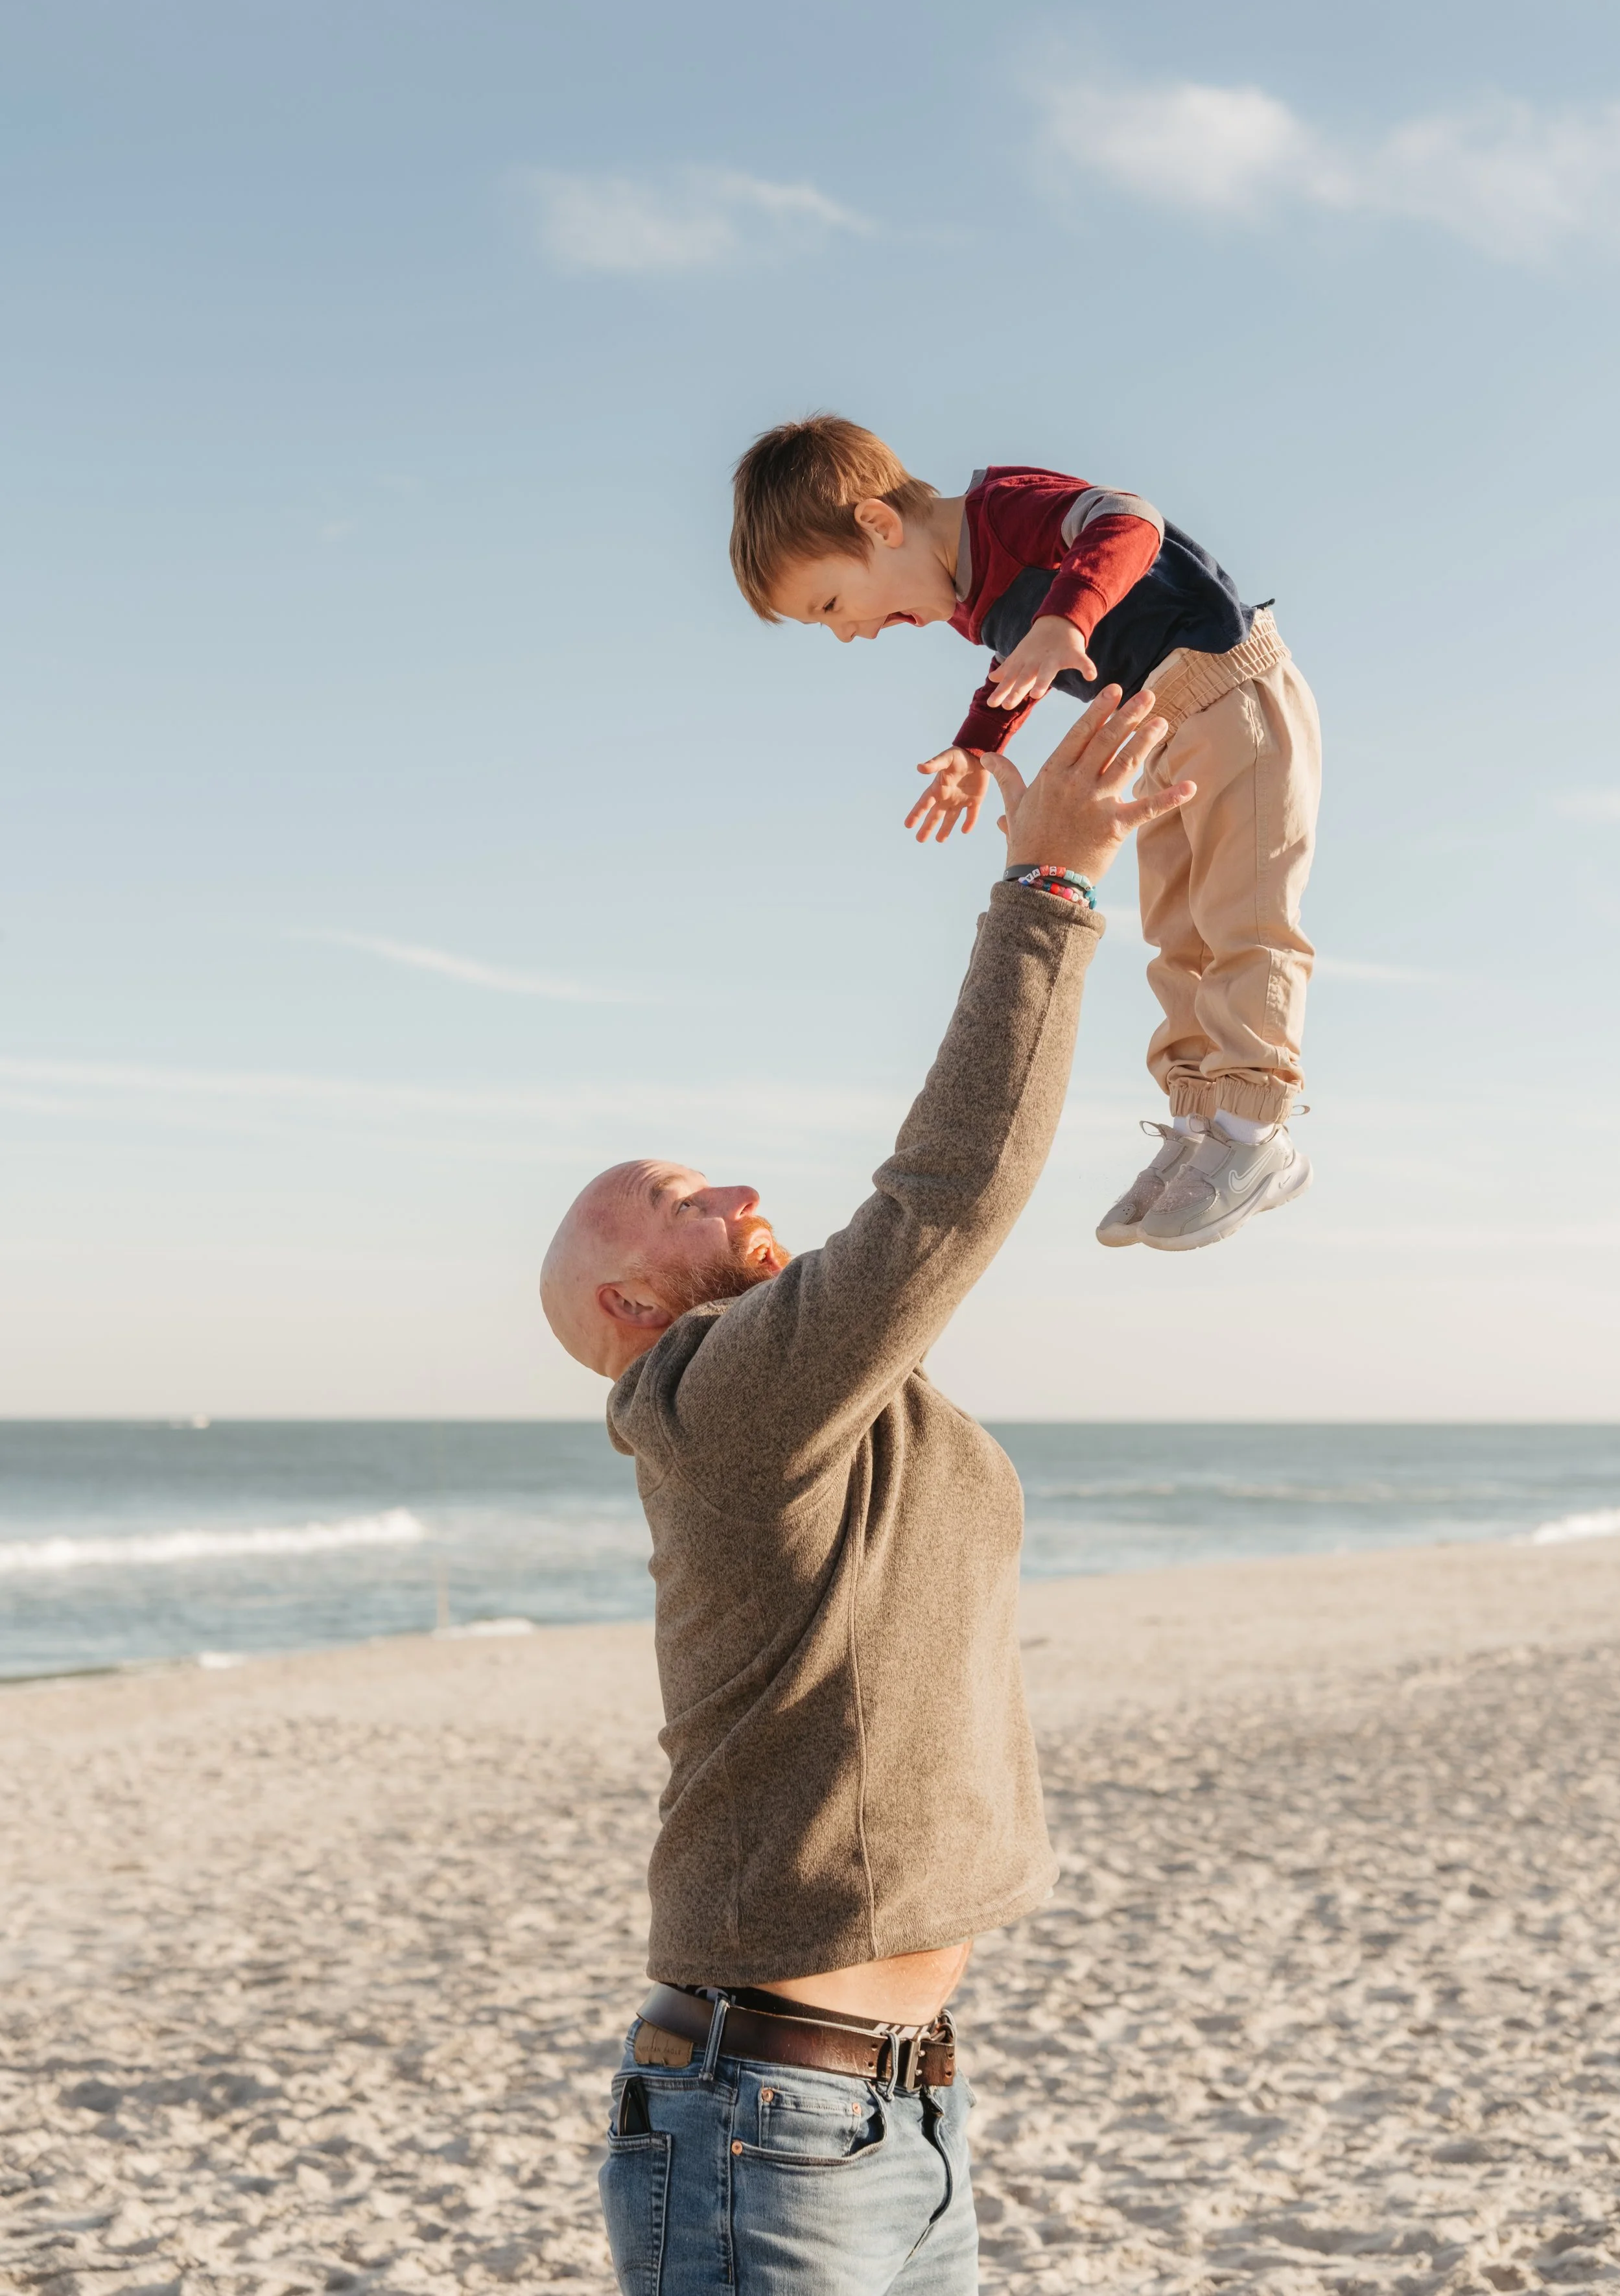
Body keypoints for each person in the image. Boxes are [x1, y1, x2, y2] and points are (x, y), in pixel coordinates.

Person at [540, 692, 1193, 2295]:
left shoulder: (834, 1408)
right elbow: (944, 1199)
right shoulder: (711, 1401)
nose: (743, 1192)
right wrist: (1046, 890)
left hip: (889, 2118)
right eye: (680, 1200)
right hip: (767, 2120)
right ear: (630, 1315)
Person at [729, 415, 1323, 1255]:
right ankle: (1200, 1126)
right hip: (1162, 729)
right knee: (1178, 934)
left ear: (878, 523)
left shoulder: (998, 508)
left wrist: (1067, 621)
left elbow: (1128, 520)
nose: (850, 632)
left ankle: (1256, 1127)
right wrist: (979, 744)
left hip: (1233, 694)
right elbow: (1016, 663)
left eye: (831, 604)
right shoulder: (972, 604)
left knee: (1242, 914)